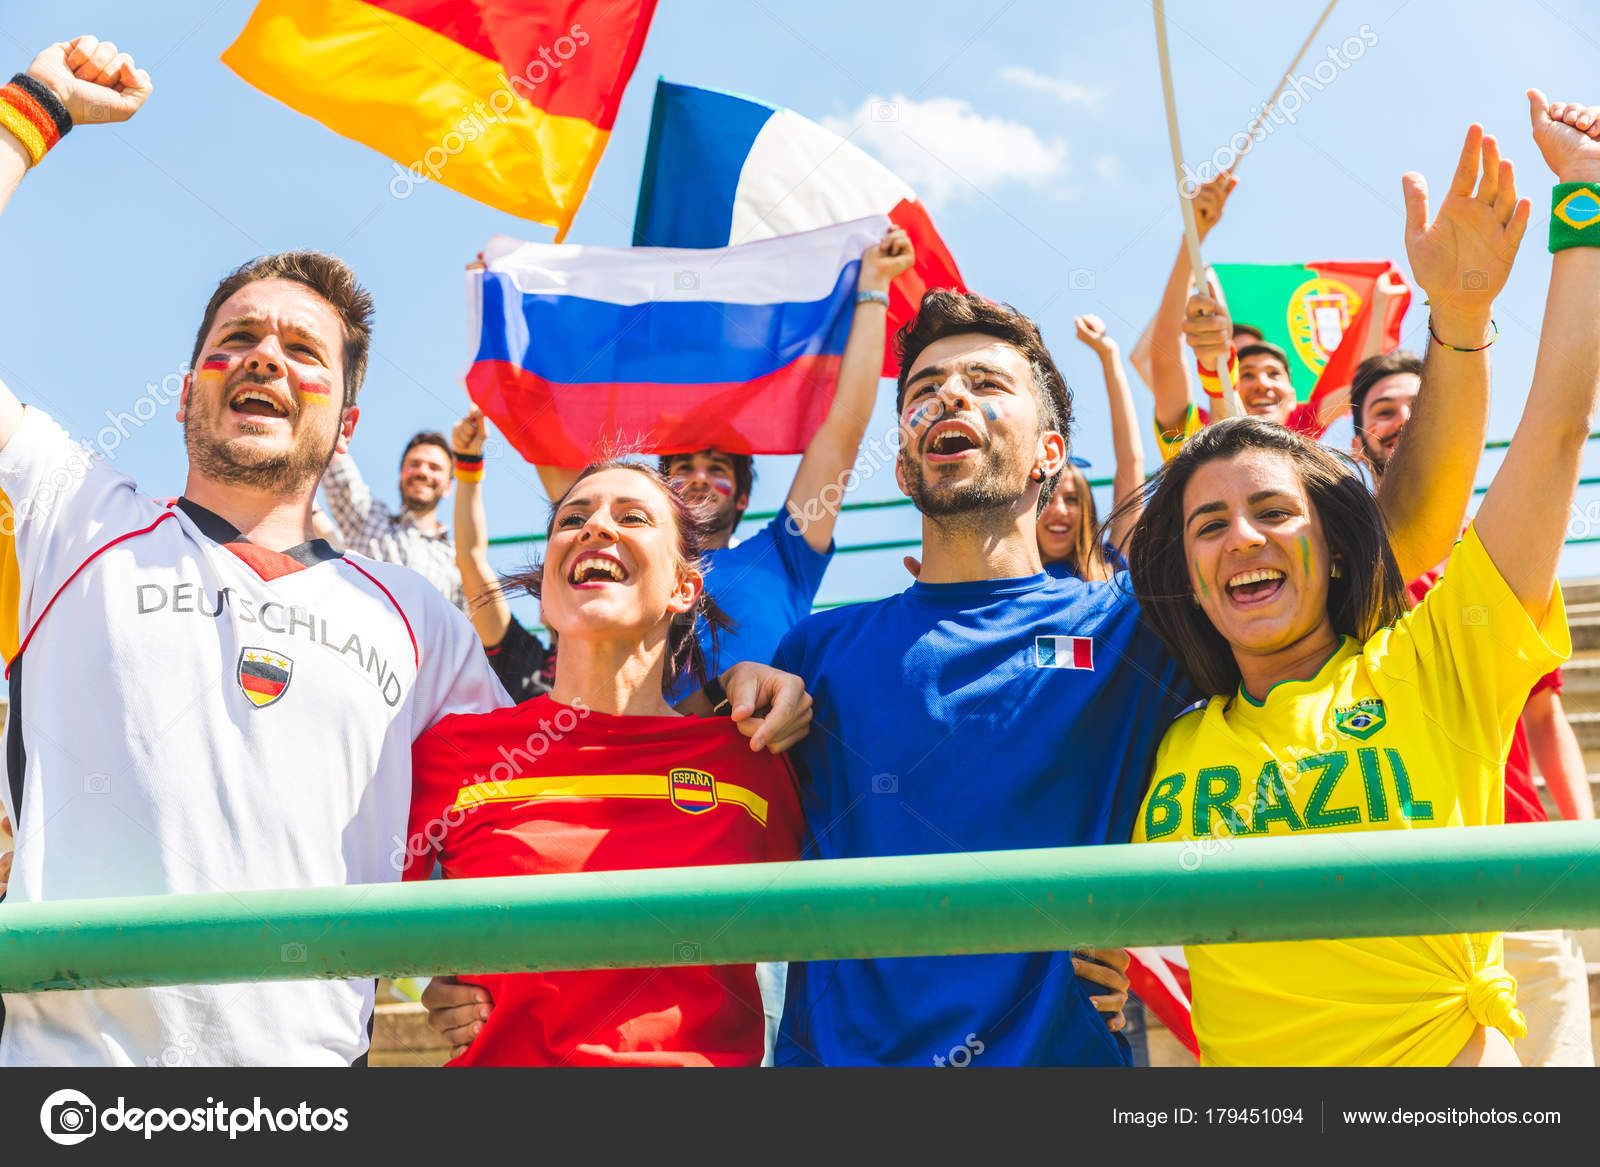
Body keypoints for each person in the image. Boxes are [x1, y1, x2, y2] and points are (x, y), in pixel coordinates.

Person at [0, 36, 810, 1068]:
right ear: (188, 384)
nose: (265, 359)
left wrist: (726, 678)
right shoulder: (71, 512)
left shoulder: (418, 617)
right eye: (238, 339)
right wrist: (35, 107)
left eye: (305, 353)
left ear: (345, 426)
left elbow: (547, 791)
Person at [1127, 93, 1597, 1067]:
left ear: (1338, 545)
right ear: (1188, 579)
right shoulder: (1168, 729)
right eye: (1207, 524)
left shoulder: (1433, 663)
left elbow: (1552, 430)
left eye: (1272, 511)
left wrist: (1575, 207)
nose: (1243, 539)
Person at [407, 462, 804, 1065]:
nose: (595, 527)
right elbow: (353, 916)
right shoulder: (451, 753)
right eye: (573, 517)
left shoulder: (752, 756)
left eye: (632, 517)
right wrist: (434, 979)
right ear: (545, 587)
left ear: (683, 588)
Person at [533, 229, 917, 696]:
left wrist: (874, 288)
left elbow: (844, 431)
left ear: (743, 495)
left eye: (717, 469)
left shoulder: (786, 553)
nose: (698, 478)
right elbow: (551, 451)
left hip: (760, 762)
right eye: (683, 468)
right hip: (643, 764)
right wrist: (501, 321)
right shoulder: (624, 554)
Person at [1352, 350, 1596, 1066]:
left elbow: (1546, 719)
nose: (1402, 420)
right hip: (1404, 892)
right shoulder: (1340, 562)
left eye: (1418, 405)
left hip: (1520, 869)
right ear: (1358, 436)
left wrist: (1580, 846)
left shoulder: (1498, 552)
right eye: (1383, 410)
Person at [1145, 172, 1404, 462]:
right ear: (1223, 378)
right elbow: (1164, 356)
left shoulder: (1301, 427)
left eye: (1274, 373)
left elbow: (1361, 388)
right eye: (1244, 373)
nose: (1262, 384)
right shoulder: (1195, 433)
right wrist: (1192, 239)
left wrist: (1378, 308)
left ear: (1293, 396)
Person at [450, 405, 554, 702]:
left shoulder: (636, 657)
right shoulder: (522, 657)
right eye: (544, 582)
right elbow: (470, 558)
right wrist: (468, 462)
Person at [1034, 315, 1145, 580]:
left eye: (1072, 499)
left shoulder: (1110, 564)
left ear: (1089, 510)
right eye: (1047, 499)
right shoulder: (1007, 578)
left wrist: (1109, 355)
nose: (1059, 510)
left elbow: (1131, 461)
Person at [321, 429, 466, 611]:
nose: (422, 471)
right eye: (414, 464)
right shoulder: (368, 518)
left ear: (448, 487)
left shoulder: (458, 561)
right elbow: (333, 448)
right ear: (400, 478)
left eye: (434, 467)